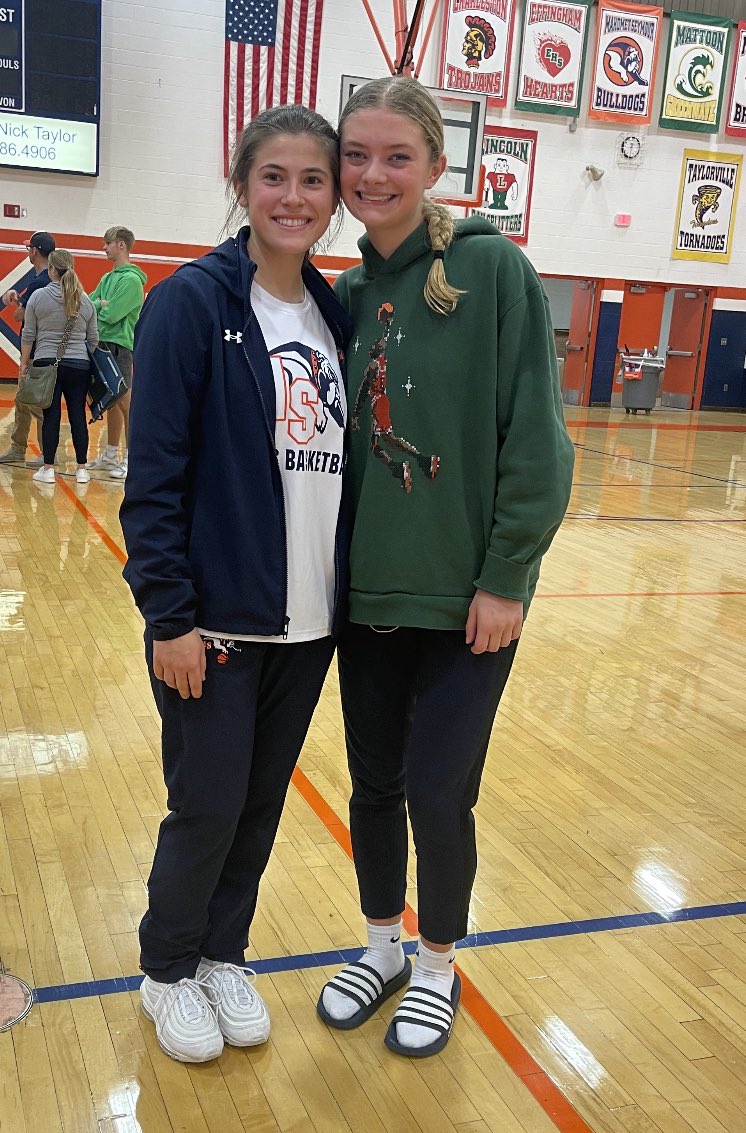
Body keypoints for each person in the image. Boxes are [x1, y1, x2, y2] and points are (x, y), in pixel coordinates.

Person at [316, 77, 575, 1058]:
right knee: (372, 786)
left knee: (437, 789)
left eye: (395, 156)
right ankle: (380, 944)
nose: (371, 173)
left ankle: (435, 962)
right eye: (357, 155)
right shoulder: (343, 294)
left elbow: (536, 440)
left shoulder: (493, 269)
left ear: (433, 166)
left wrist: (506, 571)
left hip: (468, 599)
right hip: (364, 593)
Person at [119, 104, 351, 1065]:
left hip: (308, 622)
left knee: (257, 807)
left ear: (334, 196)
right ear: (241, 183)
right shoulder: (192, 303)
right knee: (206, 805)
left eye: (313, 181)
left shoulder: (332, 310)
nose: (294, 197)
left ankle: (223, 953)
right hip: (212, 621)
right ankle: (165, 970)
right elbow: (155, 477)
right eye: (275, 178)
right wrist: (168, 614)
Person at [20, 250, 98, 485]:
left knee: (50, 415)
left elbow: (29, 334)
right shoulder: (85, 300)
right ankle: (82, 469)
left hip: (45, 362)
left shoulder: (38, 297)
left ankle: (49, 469)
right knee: (77, 415)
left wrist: (25, 362)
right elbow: (93, 339)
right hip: (79, 365)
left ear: (52, 270)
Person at [88, 226, 147, 479]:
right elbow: (87, 303)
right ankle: (111, 454)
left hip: (120, 345)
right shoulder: (107, 278)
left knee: (125, 402)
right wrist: (100, 304)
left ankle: (135, 460)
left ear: (121, 245)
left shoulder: (132, 280)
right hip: (102, 342)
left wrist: (100, 306)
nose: (104, 247)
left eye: (107, 243)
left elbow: (111, 315)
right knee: (111, 401)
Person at [0, 231, 57, 466]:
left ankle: (47, 452)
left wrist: (14, 302)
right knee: (23, 402)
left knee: (36, 404)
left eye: (29, 248)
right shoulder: (47, 280)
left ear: (35, 251)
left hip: (34, 353)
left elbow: (18, 316)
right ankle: (18, 447)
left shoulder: (39, 282)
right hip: (40, 350)